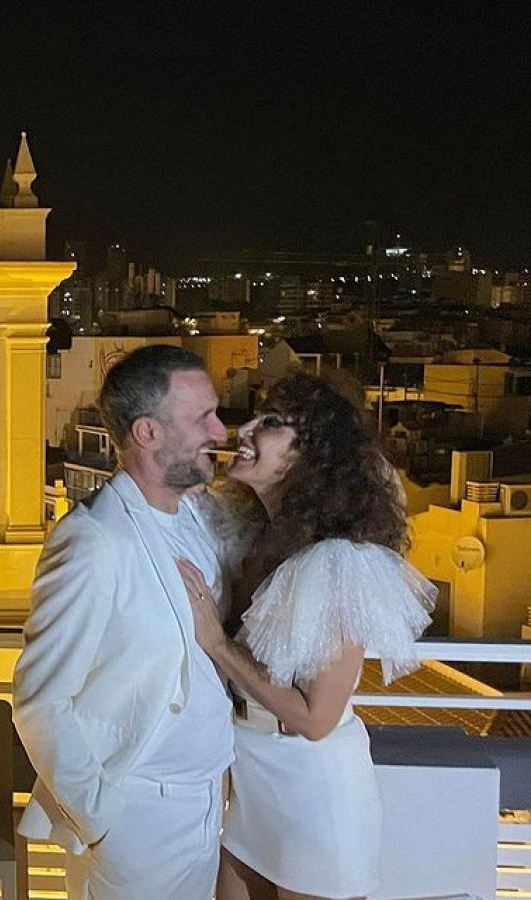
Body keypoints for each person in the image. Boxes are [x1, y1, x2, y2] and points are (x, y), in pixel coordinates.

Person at [177, 370, 436, 900]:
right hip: (250, 777)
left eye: (270, 424)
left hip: (313, 790)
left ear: (310, 456)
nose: (244, 429)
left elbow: (317, 718)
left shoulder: (335, 561)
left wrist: (217, 643)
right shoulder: (258, 538)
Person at [13, 344, 240, 899]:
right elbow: (40, 700)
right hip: (139, 814)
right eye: (201, 417)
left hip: (208, 801)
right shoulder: (93, 541)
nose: (219, 429)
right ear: (148, 433)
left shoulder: (196, 515)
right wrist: (100, 818)